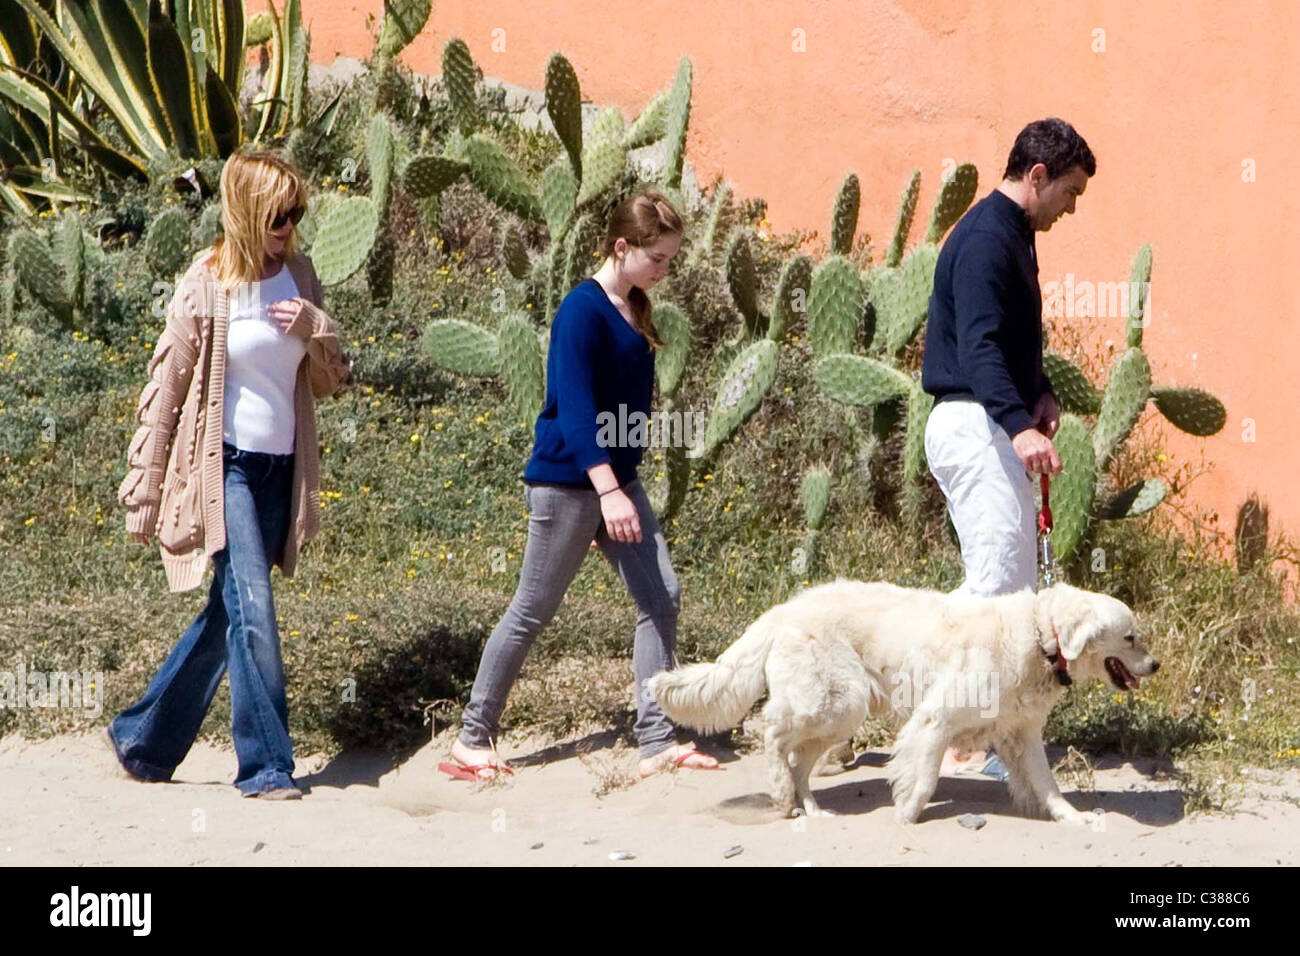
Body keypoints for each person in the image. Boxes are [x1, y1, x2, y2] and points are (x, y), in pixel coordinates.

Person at [445, 190, 720, 780]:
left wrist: (620, 486)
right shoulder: (580, 309)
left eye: (670, 259)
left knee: (660, 598)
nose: (664, 270)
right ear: (622, 247)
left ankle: (656, 740)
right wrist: (608, 493)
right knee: (532, 610)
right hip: (571, 485)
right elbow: (573, 410)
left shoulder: (632, 306)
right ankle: (472, 739)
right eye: (657, 258)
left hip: (615, 482)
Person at [105, 148, 352, 799]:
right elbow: (167, 392)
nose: (289, 226)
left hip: (282, 472)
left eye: (297, 213)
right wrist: (145, 490)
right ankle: (267, 764)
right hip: (227, 473)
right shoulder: (207, 283)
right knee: (255, 609)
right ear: (247, 211)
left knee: (228, 613)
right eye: (279, 214)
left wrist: (319, 327)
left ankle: (143, 740)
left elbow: (331, 383)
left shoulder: (300, 274)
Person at [920, 117, 1096, 775]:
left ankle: (989, 740)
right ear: (1038, 176)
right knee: (995, 590)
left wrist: (1040, 391)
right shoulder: (989, 239)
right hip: (974, 423)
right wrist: (1017, 424)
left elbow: (1015, 341)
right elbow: (981, 345)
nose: (1071, 208)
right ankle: (934, 713)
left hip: (990, 419)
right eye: (1070, 193)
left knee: (1013, 592)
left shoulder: (1011, 234)